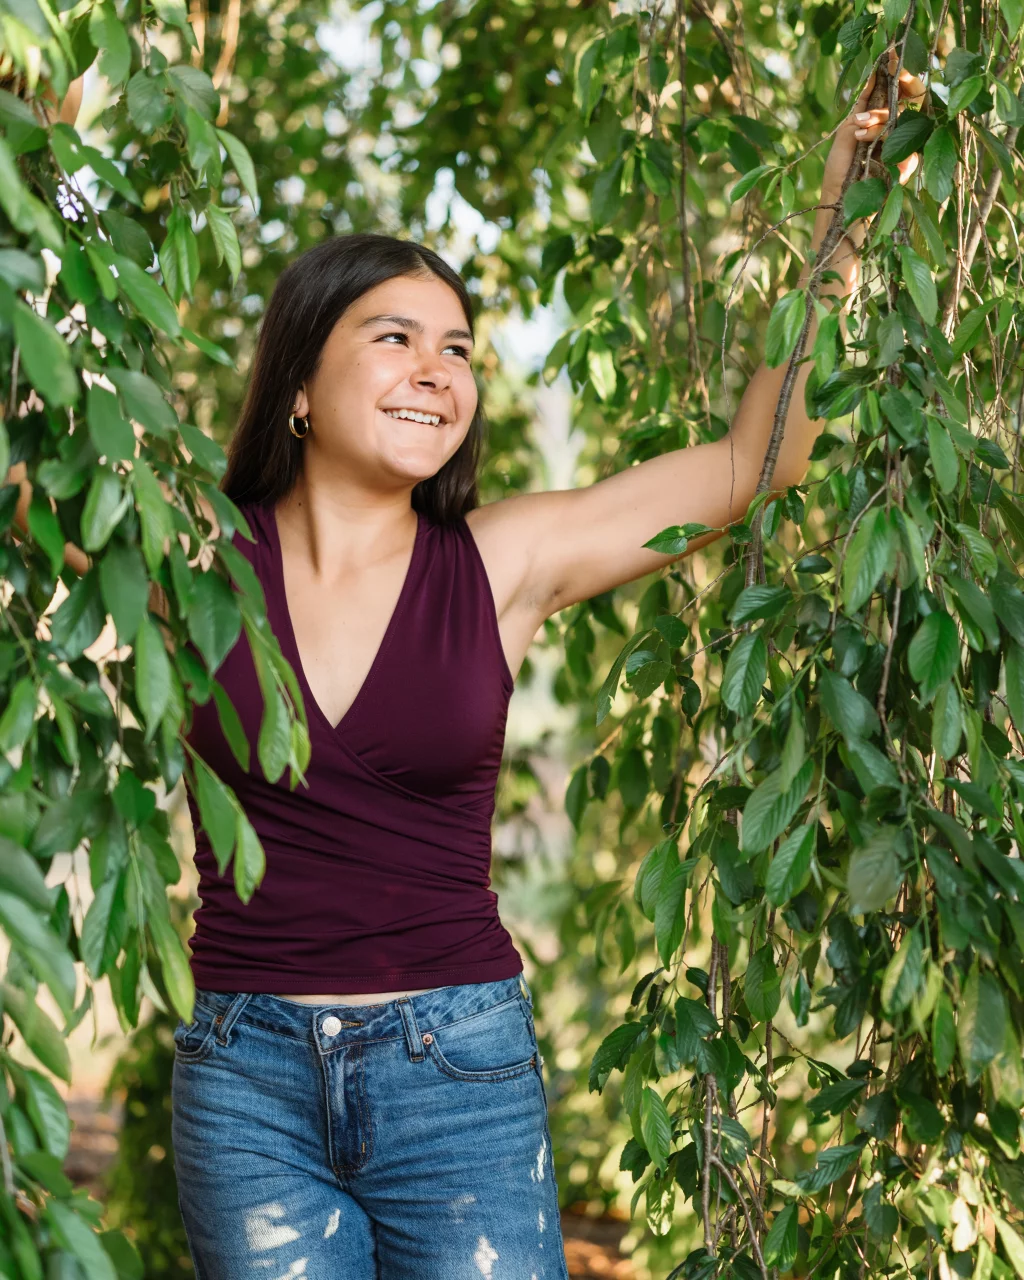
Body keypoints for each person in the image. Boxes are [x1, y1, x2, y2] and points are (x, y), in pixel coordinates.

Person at [6, 52, 924, 1280]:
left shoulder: (503, 559)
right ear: (298, 382)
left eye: (459, 347)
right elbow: (30, 468)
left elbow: (756, 461)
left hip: (458, 1068)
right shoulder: (186, 549)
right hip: (246, 1079)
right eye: (394, 337)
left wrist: (839, 204)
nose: (439, 368)